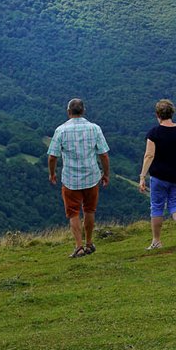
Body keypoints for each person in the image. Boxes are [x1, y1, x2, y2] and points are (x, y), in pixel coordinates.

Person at [47, 97, 110, 258]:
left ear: (68, 112)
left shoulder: (61, 130)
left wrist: (52, 173)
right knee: (90, 210)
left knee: (73, 213)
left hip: (70, 179)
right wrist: (106, 173)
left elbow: (52, 157)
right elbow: (103, 154)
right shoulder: (94, 128)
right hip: (91, 176)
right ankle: (89, 243)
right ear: (83, 111)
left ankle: (78, 246)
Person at [139, 98, 176, 250]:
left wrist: (142, 176)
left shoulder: (154, 133)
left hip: (159, 176)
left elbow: (149, 155)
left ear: (157, 114)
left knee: (157, 206)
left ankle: (156, 241)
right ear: (172, 113)